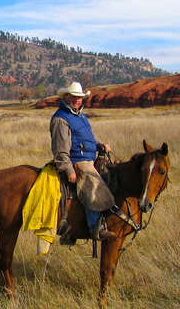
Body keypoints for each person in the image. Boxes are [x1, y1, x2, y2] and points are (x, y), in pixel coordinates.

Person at [50, 82, 116, 240]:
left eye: (79, 98)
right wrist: (69, 170)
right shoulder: (61, 119)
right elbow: (60, 150)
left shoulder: (80, 116)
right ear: (66, 97)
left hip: (89, 159)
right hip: (77, 162)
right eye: (73, 97)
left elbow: (86, 139)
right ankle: (96, 227)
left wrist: (99, 145)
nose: (77, 100)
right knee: (93, 187)